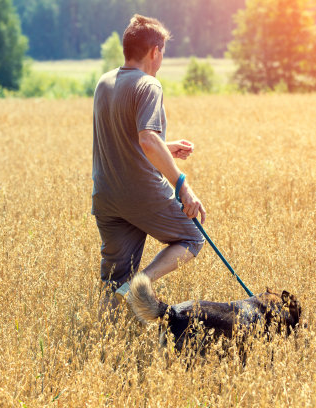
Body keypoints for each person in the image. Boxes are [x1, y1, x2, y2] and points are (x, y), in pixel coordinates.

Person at [91, 14, 206, 318]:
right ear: (154, 51)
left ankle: (102, 341)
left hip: (105, 197)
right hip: (140, 194)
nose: (162, 59)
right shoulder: (149, 85)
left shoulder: (104, 83)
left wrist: (167, 148)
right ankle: (139, 285)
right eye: (163, 52)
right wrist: (184, 188)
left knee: (112, 282)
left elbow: (122, 141)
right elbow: (146, 141)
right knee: (192, 238)